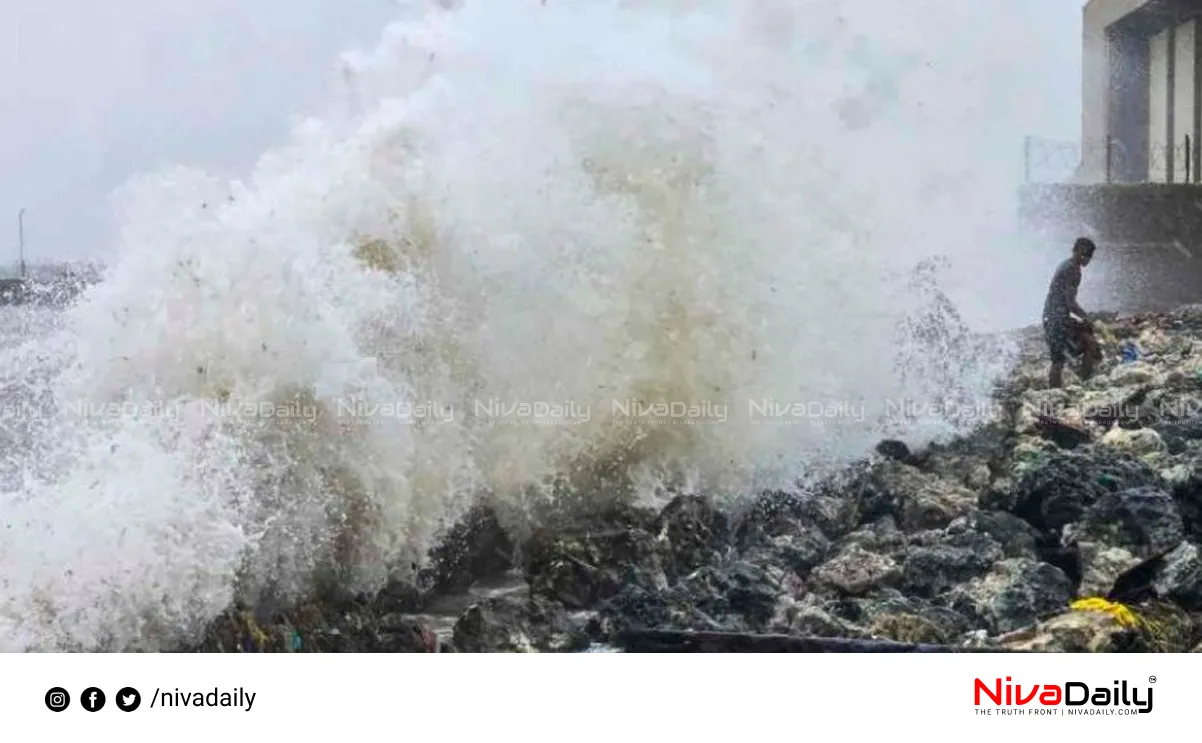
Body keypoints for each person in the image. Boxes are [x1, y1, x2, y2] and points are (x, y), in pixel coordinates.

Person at [1043, 237, 1101, 388]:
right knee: (1058, 361)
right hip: (1056, 319)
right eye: (1082, 253)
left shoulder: (1068, 265)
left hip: (1053, 317)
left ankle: (1082, 382)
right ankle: (1057, 392)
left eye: (1088, 255)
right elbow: (1070, 303)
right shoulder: (1072, 270)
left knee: (1089, 342)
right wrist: (1086, 317)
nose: (1085, 258)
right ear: (1075, 251)